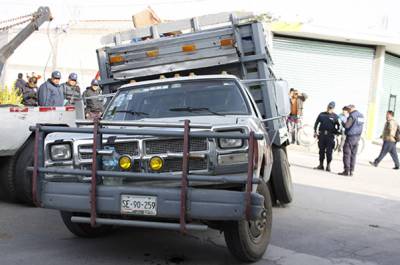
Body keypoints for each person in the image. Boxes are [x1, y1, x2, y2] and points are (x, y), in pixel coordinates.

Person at [313, 101, 340, 172]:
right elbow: (316, 123)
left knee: (329, 151)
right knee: (321, 150)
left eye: (331, 108)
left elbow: (339, 126)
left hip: (330, 136)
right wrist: (315, 132)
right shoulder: (322, 114)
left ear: (333, 108)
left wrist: (337, 132)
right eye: (328, 107)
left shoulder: (335, 116)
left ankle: (328, 165)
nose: (329, 109)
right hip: (322, 135)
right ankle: (321, 165)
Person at [339, 105, 364, 176]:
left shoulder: (352, 116)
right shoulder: (361, 115)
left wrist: (342, 122)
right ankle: (351, 170)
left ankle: (346, 171)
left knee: (347, 154)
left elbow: (347, 126)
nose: (348, 111)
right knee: (353, 154)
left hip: (350, 137)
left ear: (351, 109)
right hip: (357, 137)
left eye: (348, 109)